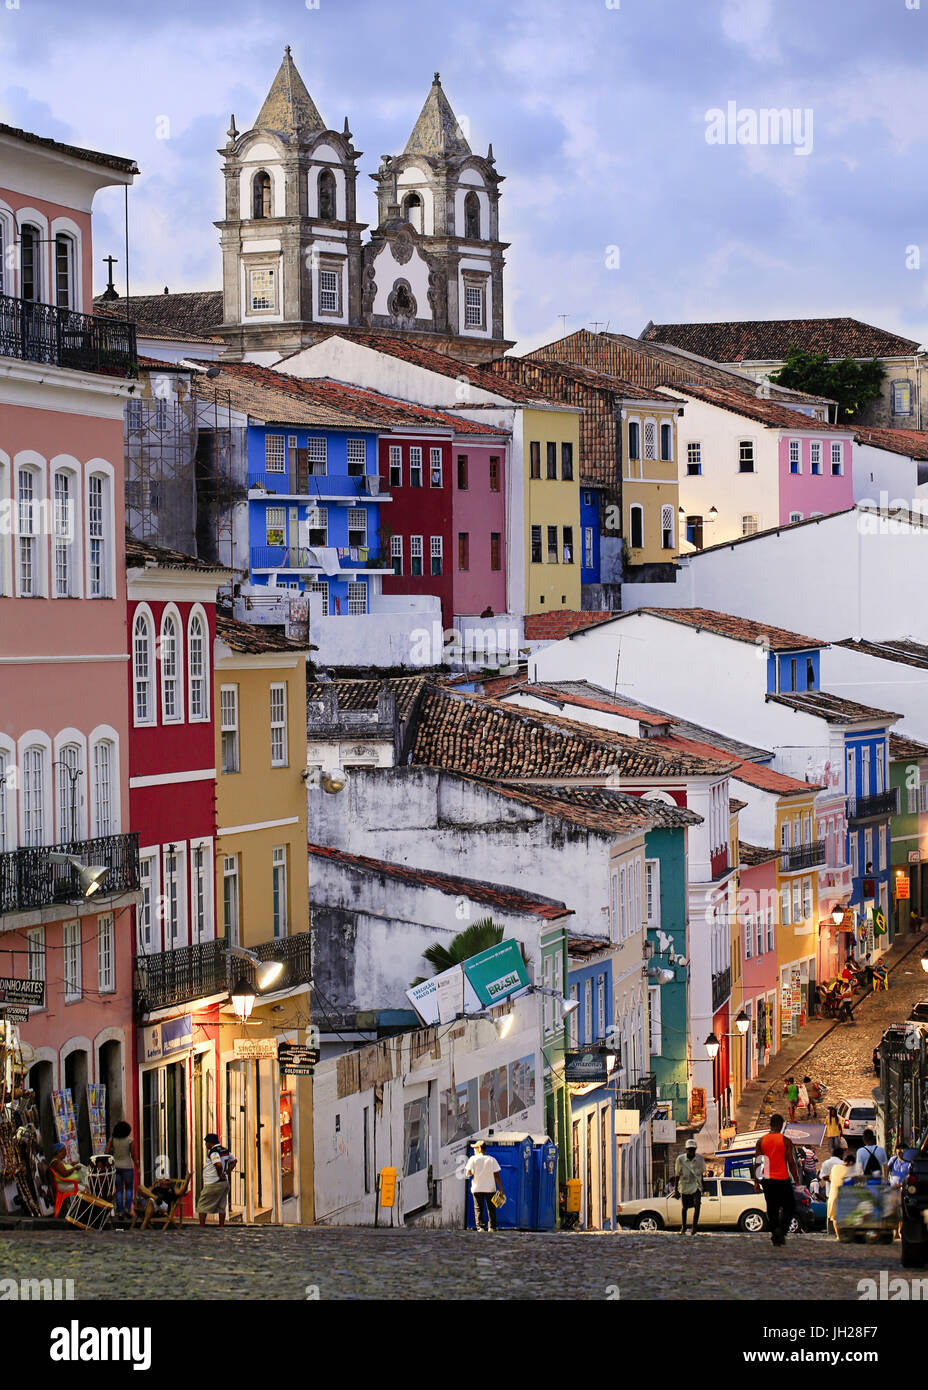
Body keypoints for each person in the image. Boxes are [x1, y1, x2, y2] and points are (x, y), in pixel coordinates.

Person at [754, 1114, 801, 1246]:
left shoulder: (761, 1141)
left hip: (767, 1179)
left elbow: (758, 1163)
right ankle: (782, 1229)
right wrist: (796, 1180)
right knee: (790, 1206)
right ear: (780, 1125)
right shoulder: (785, 1141)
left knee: (772, 1208)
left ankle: (775, 1234)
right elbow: (791, 1163)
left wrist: (756, 1182)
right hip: (782, 1178)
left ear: (771, 1124)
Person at [196, 1133, 235, 1228]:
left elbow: (218, 1164)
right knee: (222, 1205)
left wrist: (220, 1174)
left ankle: (202, 1226)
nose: (205, 1145)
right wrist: (227, 1172)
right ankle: (221, 1226)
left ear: (210, 1143)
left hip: (213, 1182)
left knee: (202, 1205)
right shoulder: (225, 1150)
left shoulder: (213, 1152)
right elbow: (234, 1160)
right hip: (224, 1183)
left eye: (206, 1143)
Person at [465, 1140, 503, 1231]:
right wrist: (501, 1189)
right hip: (490, 1188)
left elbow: (468, 1173)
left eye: (475, 1148)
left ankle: (480, 1227)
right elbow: (496, 1174)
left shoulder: (473, 1159)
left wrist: (472, 1172)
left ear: (479, 1149)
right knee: (491, 1208)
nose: (474, 1149)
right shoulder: (491, 1159)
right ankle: (492, 1227)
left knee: (478, 1208)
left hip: (477, 1188)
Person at [673, 1137, 707, 1236]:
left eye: (693, 1150)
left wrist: (704, 1186)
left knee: (697, 1204)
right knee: (685, 1207)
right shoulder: (680, 1159)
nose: (691, 1152)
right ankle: (684, 1226)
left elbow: (701, 1174)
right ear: (686, 1150)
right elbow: (677, 1174)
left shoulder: (700, 1158)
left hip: (696, 1184)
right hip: (684, 1184)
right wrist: (676, 1190)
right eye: (689, 1150)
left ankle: (694, 1227)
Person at [105, 1121, 137, 1219]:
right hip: (127, 1166)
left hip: (116, 1166)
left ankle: (120, 1211)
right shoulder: (129, 1141)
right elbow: (133, 1154)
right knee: (129, 1189)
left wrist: (112, 1152)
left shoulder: (112, 1140)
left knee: (119, 1189)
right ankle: (127, 1208)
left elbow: (106, 1152)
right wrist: (137, 1165)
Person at [824, 1152, 852, 1238]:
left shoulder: (835, 1168)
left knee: (835, 1217)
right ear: (850, 1163)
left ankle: (838, 1236)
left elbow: (831, 1179)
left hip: (833, 1196)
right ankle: (846, 1235)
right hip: (843, 1196)